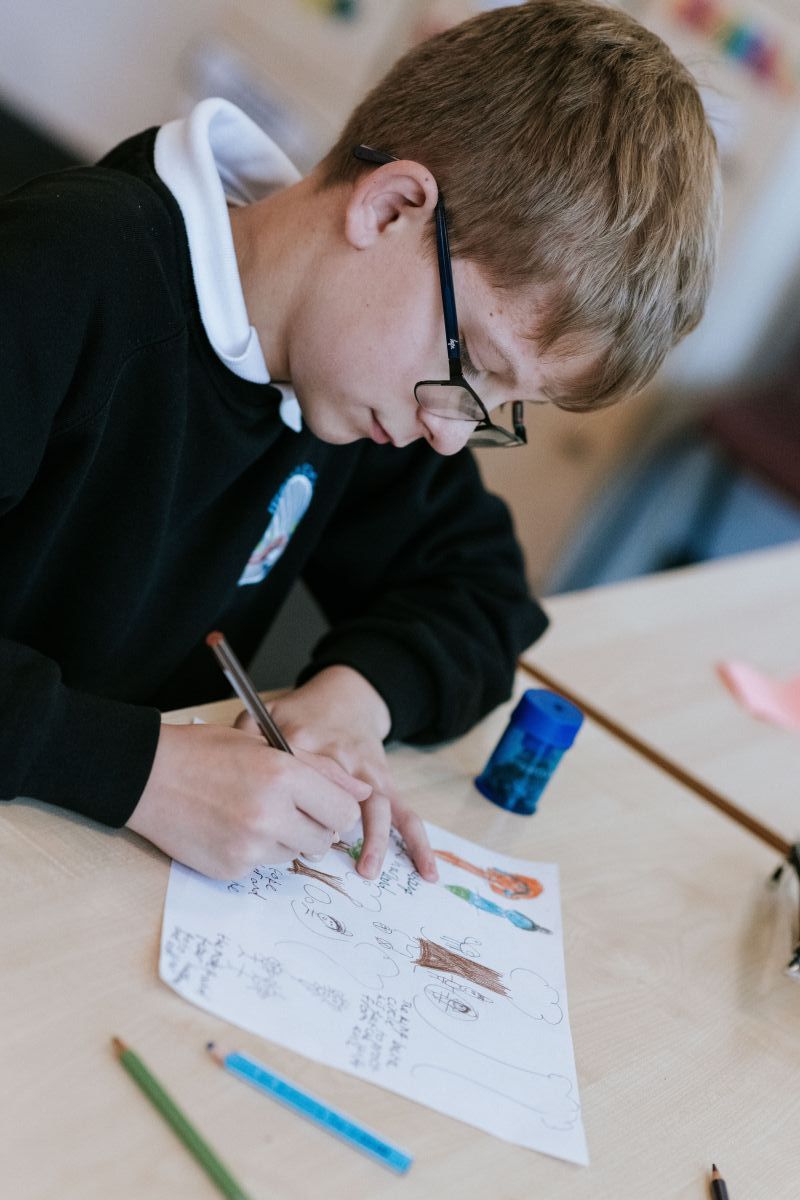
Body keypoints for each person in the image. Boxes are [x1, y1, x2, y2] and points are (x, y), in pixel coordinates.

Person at [0, 1, 720, 882]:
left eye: (502, 405)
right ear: (388, 209)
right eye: (476, 368)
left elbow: (483, 592)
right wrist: (138, 770)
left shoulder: (353, 382)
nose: (451, 435)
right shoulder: (60, 277)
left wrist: (356, 700)